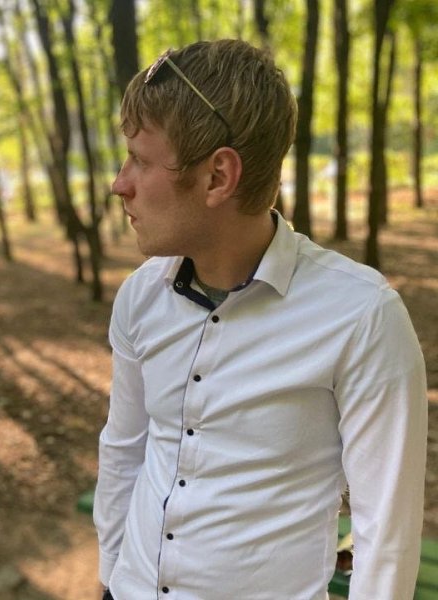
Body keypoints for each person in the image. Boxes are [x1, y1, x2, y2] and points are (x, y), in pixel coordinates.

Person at [93, 39, 428, 600]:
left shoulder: (361, 318)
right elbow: (125, 449)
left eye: (141, 160)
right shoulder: (140, 297)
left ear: (218, 176)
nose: (119, 183)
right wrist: (110, 578)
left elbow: (385, 535)